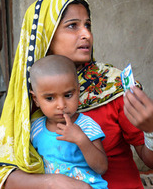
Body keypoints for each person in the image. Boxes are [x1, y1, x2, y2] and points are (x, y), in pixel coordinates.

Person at [0, 0, 153, 188]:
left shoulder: (112, 86)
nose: (86, 34)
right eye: (72, 26)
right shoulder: (28, 98)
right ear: (46, 34)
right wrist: (55, 182)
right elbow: (5, 175)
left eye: (88, 25)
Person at [29, 55, 108, 188]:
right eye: (50, 98)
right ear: (35, 99)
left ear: (78, 90)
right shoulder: (35, 129)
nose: (61, 105)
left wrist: (81, 140)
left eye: (68, 95)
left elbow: (102, 168)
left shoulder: (85, 125)